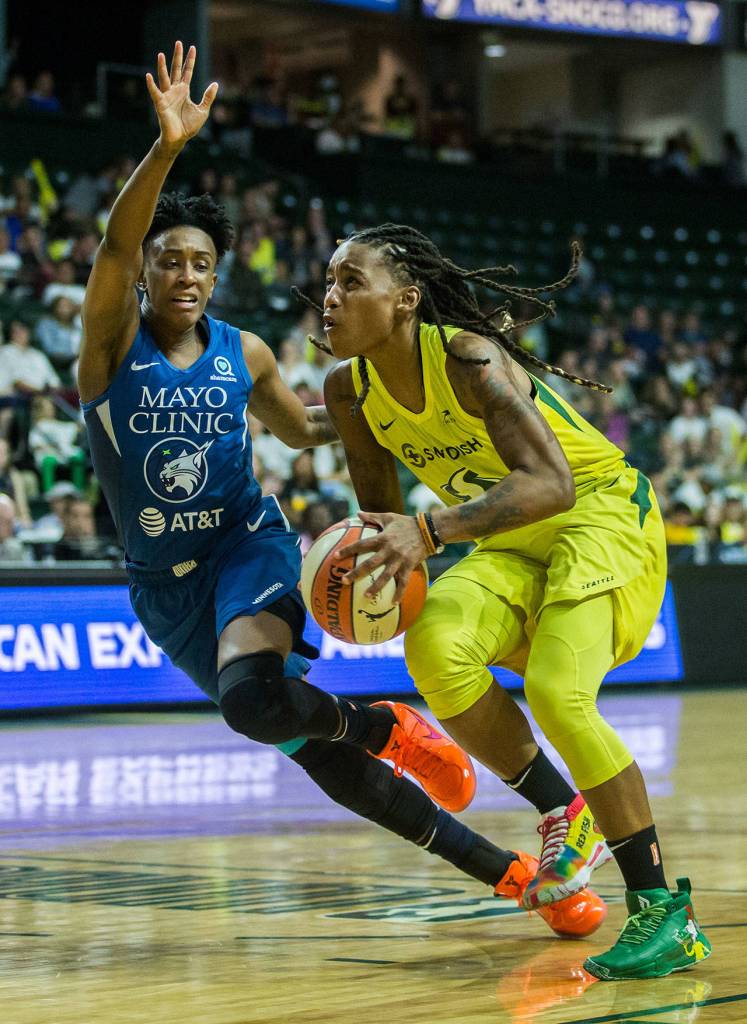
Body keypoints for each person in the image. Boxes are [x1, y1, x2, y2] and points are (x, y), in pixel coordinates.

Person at [77, 43, 604, 940]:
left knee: (253, 700)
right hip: (163, 588)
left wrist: (407, 393)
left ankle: (394, 731)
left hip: (249, 546)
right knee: (306, 748)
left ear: (217, 275)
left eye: (201, 262)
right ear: (145, 275)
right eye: (169, 262)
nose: (186, 275)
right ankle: (510, 873)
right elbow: (116, 241)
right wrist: (166, 148)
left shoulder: (243, 353)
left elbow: (311, 427)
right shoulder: (107, 348)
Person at [309, 222, 711, 981]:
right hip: (507, 540)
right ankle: (567, 813)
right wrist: (365, 577)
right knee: (434, 648)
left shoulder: (468, 358)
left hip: (595, 513)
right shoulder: (347, 391)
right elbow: (382, 517)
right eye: (327, 283)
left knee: (560, 695)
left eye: (349, 281)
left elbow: (550, 484)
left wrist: (427, 531)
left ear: (405, 300)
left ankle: (665, 914)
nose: (329, 298)